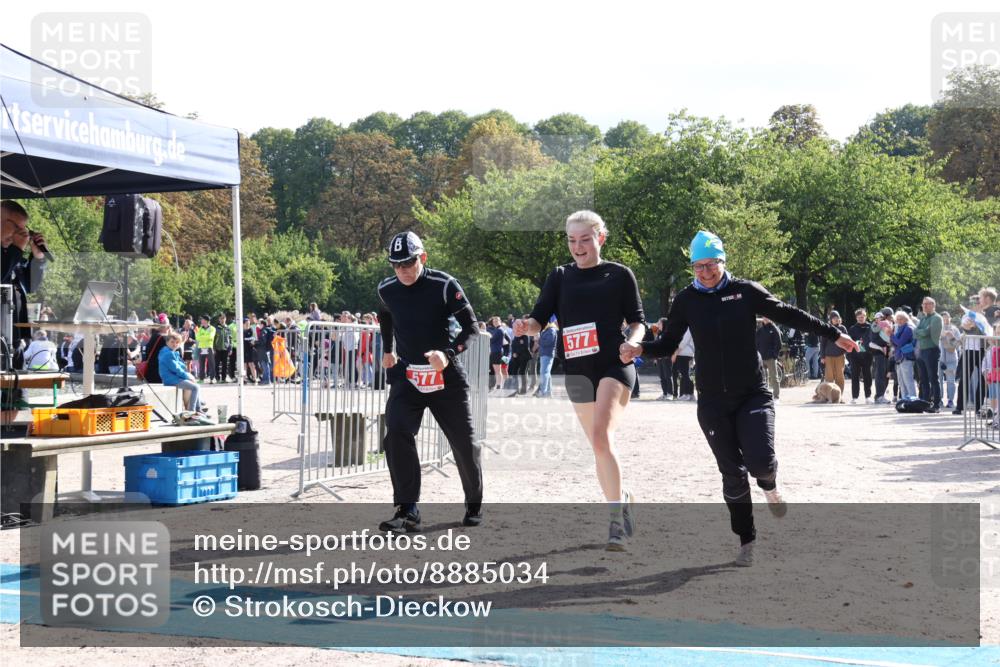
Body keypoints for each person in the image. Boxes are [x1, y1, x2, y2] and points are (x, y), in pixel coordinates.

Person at [621, 230, 857, 566]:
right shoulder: (687, 300)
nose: (705, 272)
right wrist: (640, 348)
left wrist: (835, 334)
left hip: (752, 395)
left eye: (710, 264)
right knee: (732, 473)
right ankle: (747, 541)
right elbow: (669, 343)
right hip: (713, 401)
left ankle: (770, 484)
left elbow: (789, 314)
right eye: (697, 267)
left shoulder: (745, 292)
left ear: (722, 261)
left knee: (760, 462)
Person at [514, 210, 645, 551]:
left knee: (602, 435)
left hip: (614, 365)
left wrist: (634, 341)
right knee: (599, 447)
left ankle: (615, 522)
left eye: (585, 239)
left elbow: (637, 320)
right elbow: (539, 319)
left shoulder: (619, 275)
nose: (578, 247)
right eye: (572, 240)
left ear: (601, 238)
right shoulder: (559, 277)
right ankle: (623, 497)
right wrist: (524, 326)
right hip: (577, 370)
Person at [376, 231, 483, 533]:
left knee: (464, 444)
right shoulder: (386, 288)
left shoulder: (444, 285)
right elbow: (385, 315)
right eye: (396, 265)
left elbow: (472, 328)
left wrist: (448, 354)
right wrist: (387, 351)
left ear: (422, 257)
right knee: (395, 433)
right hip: (408, 375)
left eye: (409, 263)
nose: (403, 270)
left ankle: (473, 500)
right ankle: (407, 509)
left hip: (445, 375)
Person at [1, 200, 48, 365]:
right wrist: (16, 249)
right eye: (17, 228)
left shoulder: (13, 255)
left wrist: (38, 258)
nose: (22, 234)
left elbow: (30, 286)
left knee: (17, 389)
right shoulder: (12, 253)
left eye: (23, 229)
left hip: (14, 337)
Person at [158, 332, 202, 413]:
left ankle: (198, 409)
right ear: (167, 342)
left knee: (195, 384)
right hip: (171, 379)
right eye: (172, 342)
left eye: (177, 342)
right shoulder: (168, 354)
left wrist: (188, 376)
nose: (174, 344)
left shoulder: (171, 352)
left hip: (174, 377)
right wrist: (188, 376)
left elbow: (180, 367)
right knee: (195, 387)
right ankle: (192, 411)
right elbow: (176, 369)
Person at [914, 297, 943, 412]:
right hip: (922, 351)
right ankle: (925, 403)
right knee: (923, 379)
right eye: (923, 304)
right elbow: (916, 332)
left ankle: (936, 405)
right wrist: (923, 331)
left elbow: (927, 333)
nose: (925, 306)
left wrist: (922, 332)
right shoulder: (923, 318)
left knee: (933, 378)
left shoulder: (936, 318)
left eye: (927, 304)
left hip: (932, 350)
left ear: (933, 305)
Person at [847, 308, 874, 404]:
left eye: (862, 317)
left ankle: (868, 397)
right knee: (855, 376)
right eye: (859, 317)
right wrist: (849, 356)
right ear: (856, 318)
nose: (861, 319)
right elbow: (849, 343)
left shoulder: (871, 327)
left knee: (868, 376)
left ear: (865, 316)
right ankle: (855, 397)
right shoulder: (852, 329)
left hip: (867, 355)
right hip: (855, 356)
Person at [869, 309, 894, 404]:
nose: (891, 317)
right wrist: (886, 343)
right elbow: (874, 339)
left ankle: (881, 394)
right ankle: (879, 396)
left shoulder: (889, 323)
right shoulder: (876, 325)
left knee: (886, 374)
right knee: (880, 373)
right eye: (890, 315)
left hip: (887, 351)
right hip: (879, 352)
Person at [755, 317, 782, 403]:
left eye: (767, 317)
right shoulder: (760, 330)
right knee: (762, 378)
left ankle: (776, 397)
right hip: (761, 358)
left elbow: (778, 343)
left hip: (771, 358)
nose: (765, 319)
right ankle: (764, 396)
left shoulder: (774, 329)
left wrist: (774, 355)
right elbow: (756, 342)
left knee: (774, 377)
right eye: (764, 317)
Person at [891, 311, 917, 398]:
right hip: (899, 357)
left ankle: (913, 399)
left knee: (908, 380)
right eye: (897, 319)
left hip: (906, 357)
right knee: (901, 381)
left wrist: (890, 335)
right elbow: (895, 343)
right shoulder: (900, 328)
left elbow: (900, 343)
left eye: (901, 319)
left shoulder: (908, 328)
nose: (899, 321)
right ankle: (905, 400)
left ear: (906, 319)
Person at [822, 311, 849, 397]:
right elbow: (822, 344)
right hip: (828, 355)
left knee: (840, 377)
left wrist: (845, 353)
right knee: (829, 377)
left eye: (837, 318)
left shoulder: (843, 328)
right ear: (831, 320)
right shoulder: (827, 328)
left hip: (840, 355)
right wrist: (822, 356)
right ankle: (828, 396)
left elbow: (847, 341)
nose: (836, 320)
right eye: (834, 318)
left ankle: (839, 396)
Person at [939, 311, 961, 409]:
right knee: (938, 380)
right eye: (943, 318)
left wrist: (950, 337)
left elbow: (957, 345)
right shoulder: (937, 329)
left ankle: (950, 400)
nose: (945, 320)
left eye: (947, 318)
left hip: (951, 359)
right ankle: (938, 399)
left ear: (950, 318)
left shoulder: (955, 330)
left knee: (951, 381)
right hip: (938, 358)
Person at [534, 318, 559, 398]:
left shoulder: (551, 330)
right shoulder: (548, 330)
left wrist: (539, 339)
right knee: (546, 373)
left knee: (544, 373)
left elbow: (548, 342)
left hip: (547, 354)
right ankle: (548, 392)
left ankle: (543, 392)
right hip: (545, 353)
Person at [672, 328, 696, 401]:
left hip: (684, 353)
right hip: (687, 353)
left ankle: (687, 394)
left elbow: (684, 341)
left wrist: (675, 353)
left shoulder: (688, 328)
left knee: (685, 374)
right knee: (685, 374)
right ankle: (690, 394)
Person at [194, 316, 215, 382]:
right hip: (201, 348)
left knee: (211, 364)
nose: (201, 321)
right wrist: (205, 337)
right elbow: (197, 338)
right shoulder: (200, 329)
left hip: (209, 347)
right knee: (201, 364)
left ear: (206, 320)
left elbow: (211, 337)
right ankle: (201, 379)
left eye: (202, 319)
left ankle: (211, 378)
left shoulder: (212, 328)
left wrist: (202, 337)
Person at [213, 313, 232, 383]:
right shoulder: (216, 328)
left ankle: (224, 378)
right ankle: (217, 378)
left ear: (225, 319)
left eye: (223, 318)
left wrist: (230, 348)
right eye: (221, 318)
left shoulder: (228, 328)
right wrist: (214, 348)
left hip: (226, 349)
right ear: (219, 319)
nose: (222, 320)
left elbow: (230, 339)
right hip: (218, 349)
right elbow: (214, 339)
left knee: (225, 365)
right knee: (217, 364)